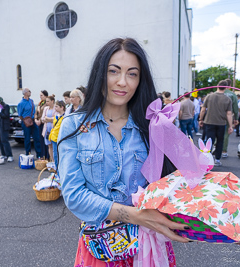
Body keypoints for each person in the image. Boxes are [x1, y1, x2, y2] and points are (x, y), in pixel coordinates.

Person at [58, 38, 189, 266]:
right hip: (100, 249)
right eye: (113, 71)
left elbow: (185, 184)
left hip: (149, 248)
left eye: (132, 74)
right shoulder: (74, 125)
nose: (122, 82)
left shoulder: (153, 125)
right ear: (100, 74)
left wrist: (230, 229)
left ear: (140, 80)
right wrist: (136, 216)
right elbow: (74, 196)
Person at [199, 80, 233, 167]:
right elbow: (229, 113)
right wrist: (231, 126)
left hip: (209, 122)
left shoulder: (209, 96)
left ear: (217, 86)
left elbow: (203, 109)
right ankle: (217, 159)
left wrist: (200, 119)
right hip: (221, 123)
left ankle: (207, 159)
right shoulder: (227, 99)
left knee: (209, 140)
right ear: (226, 88)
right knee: (220, 141)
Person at [17, 88, 41, 158]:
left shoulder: (31, 101)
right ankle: (28, 154)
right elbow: (20, 115)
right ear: (25, 93)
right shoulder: (21, 103)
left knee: (37, 138)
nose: (30, 92)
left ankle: (39, 154)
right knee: (27, 139)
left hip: (33, 120)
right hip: (26, 122)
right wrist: (25, 120)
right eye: (29, 91)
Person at [0, 96, 14, 162]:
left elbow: (6, 115)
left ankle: (9, 155)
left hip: (3, 125)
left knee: (4, 140)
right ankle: (3, 154)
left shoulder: (5, 106)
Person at [221, 78, 239, 158]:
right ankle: (224, 150)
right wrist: (236, 118)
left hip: (217, 116)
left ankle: (215, 147)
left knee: (216, 133)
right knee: (225, 134)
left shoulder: (217, 93)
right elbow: (235, 108)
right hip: (228, 117)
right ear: (230, 86)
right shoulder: (232, 94)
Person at [49, 100, 66, 170]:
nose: (55, 108)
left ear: (62, 107)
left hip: (61, 138)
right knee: (55, 155)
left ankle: (61, 172)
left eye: (56, 106)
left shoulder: (65, 117)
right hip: (54, 138)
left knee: (61, 156)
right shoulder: (56, 116)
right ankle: (57, 171)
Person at [41, 95, 56, 161]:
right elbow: (42, 118)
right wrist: (46, 119)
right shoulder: (46, 108)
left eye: (48, 101)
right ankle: (52, 160)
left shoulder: (56, 108)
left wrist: (49, 119)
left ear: (52, 101)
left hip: (54, 129)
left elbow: (57, 118)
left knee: (54, 146)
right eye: (46, 101)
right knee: (49, 146)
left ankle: (56, 160)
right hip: (47, 129)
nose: (46, 103)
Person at [35, 90, 49, 159]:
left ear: (45, 96)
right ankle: (42, 155)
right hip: (39, 123)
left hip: (44, 123)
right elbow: (36, 113)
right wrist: (35, 119)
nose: (40, 97)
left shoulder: (47, 104)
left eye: (41, 95)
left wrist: (40, 120)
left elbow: (45, 114)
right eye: (40, 95)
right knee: (40, 140)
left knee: (45, 140)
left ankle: (46, 156)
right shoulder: (40, 103)